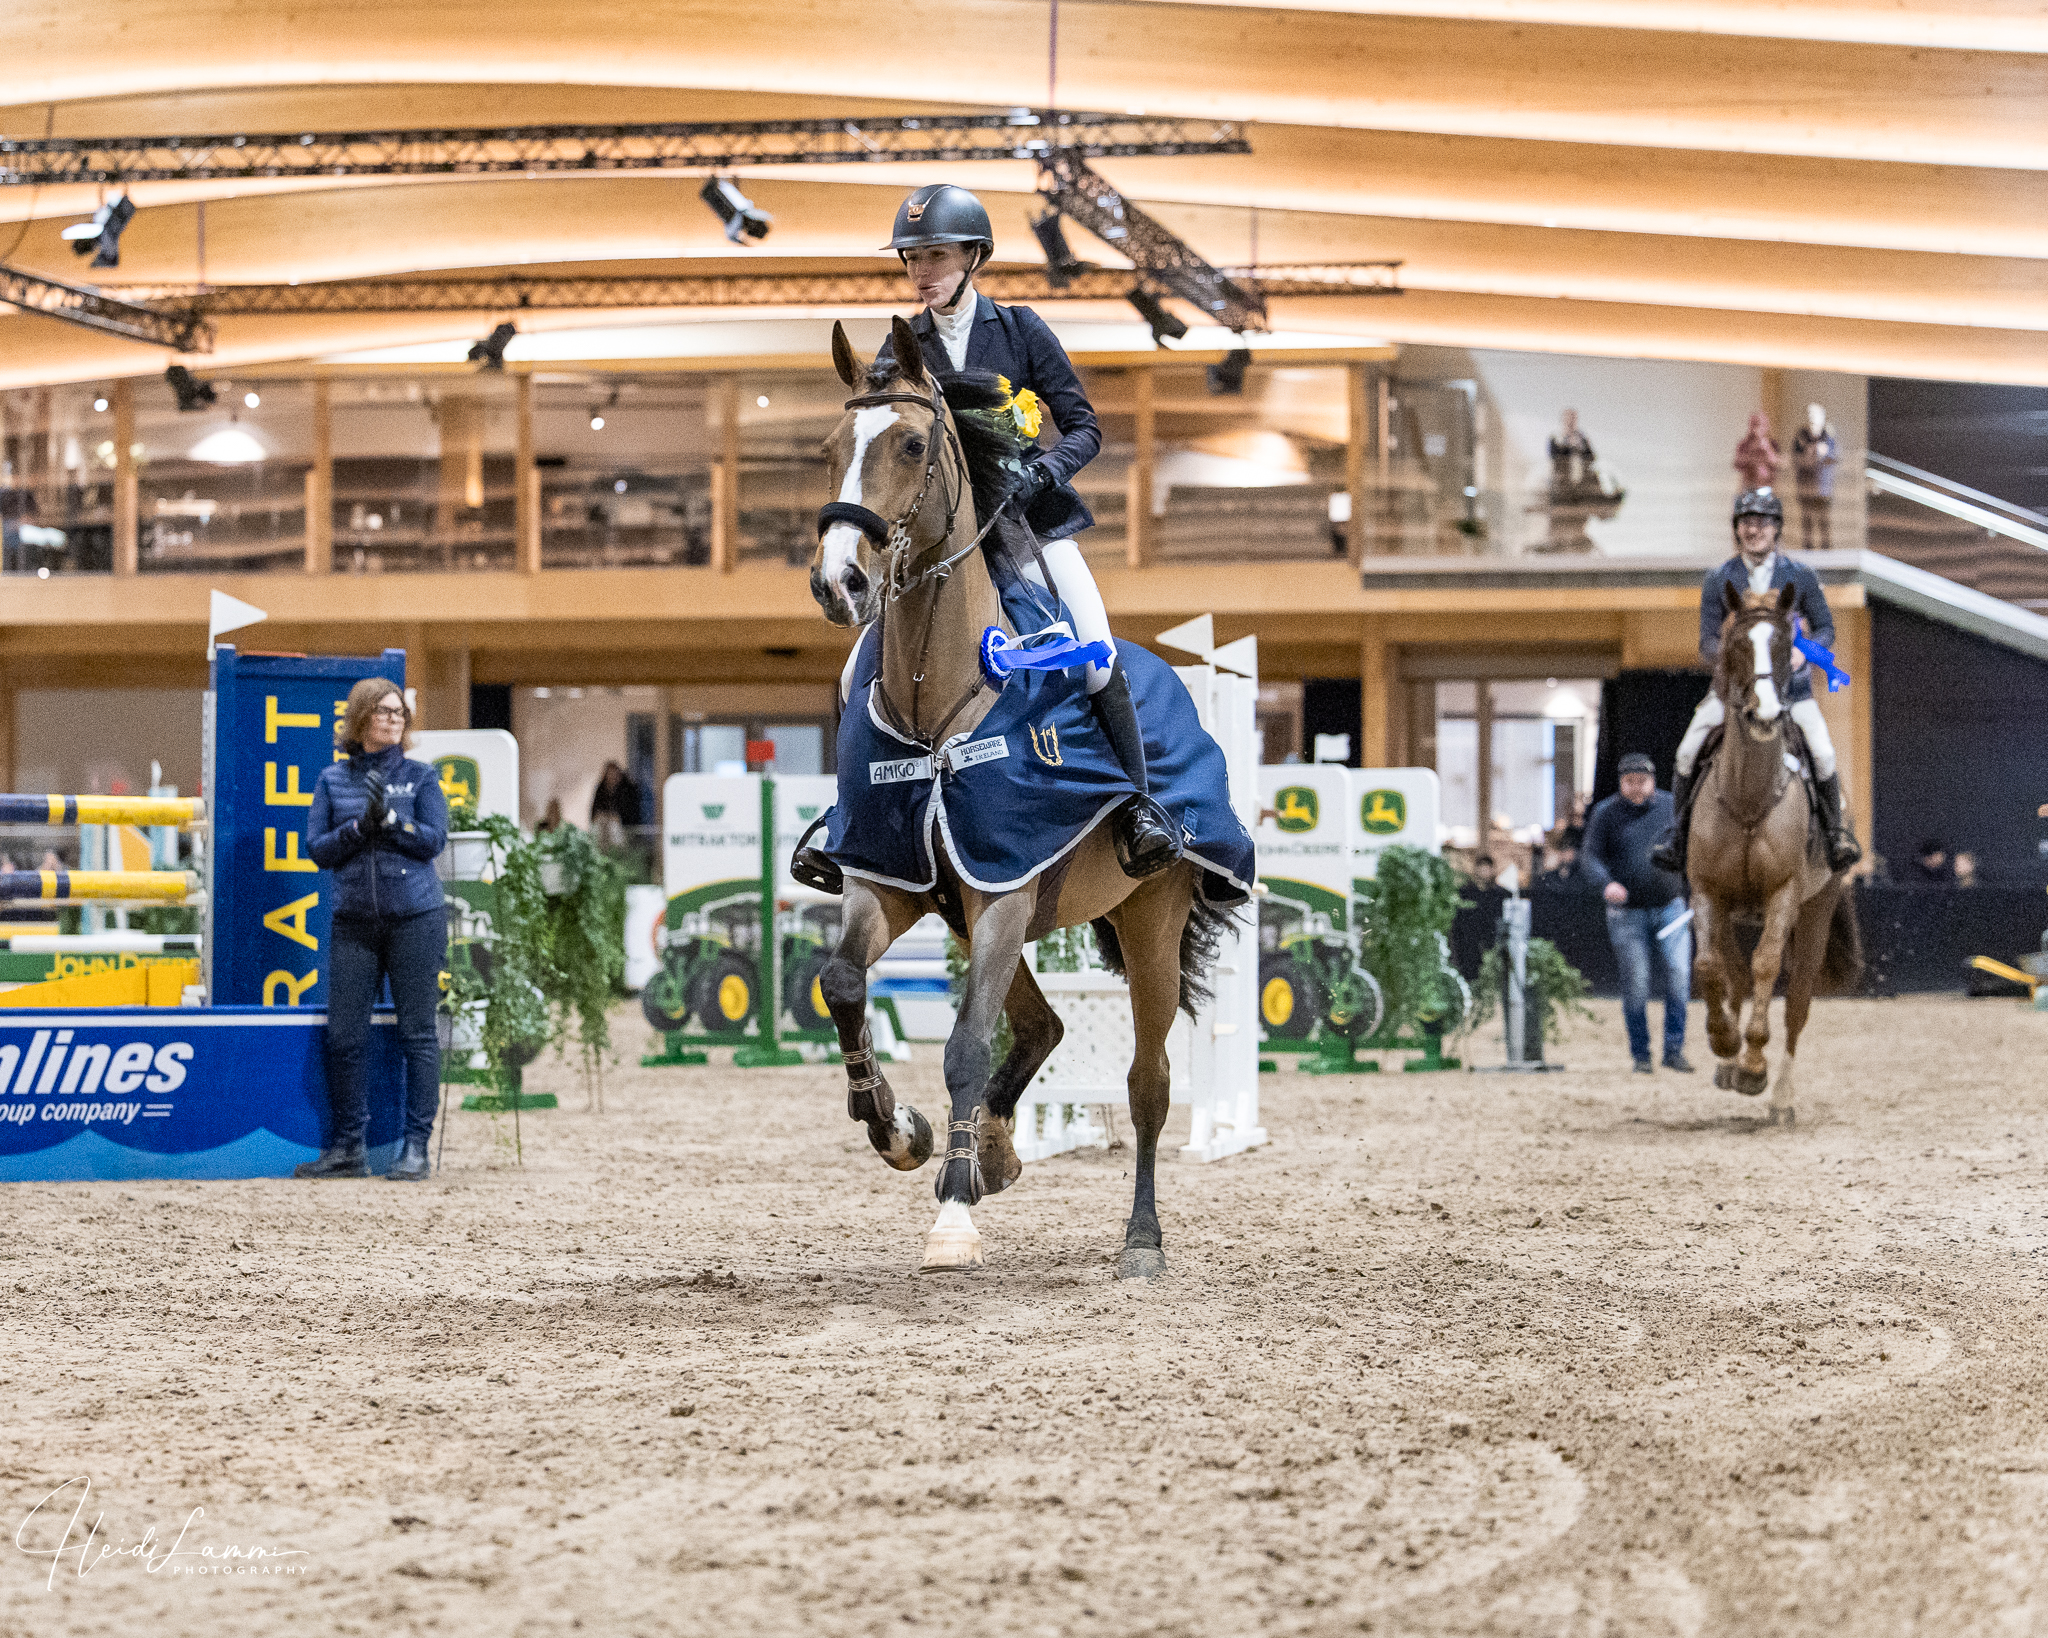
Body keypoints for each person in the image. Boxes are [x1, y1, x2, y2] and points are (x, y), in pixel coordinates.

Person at [867, 182, 1178, 880]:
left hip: (1025, 525)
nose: (921, 272)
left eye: (936, 255)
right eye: (912, 258)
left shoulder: (1020, 330)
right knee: (864, 657)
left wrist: (1044, 474)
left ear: (974, 256)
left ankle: (1138, 809)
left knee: (1095, 650)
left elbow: (1086, 426)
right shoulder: (900, 349)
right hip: (937, 538)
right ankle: (848, 821)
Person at [1652, 489, 1862, 876]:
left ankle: (1836, 836)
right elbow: (1707, 640)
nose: (1754, 530)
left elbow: (1826, 628)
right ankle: (1677, 837)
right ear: (1737, 530)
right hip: (1733, 693)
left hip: (1791, 691)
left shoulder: (1799, 576)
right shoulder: (1719, 578)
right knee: (1686, 751)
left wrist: (1803, 654)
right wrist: (1732, 663)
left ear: (1776, 529)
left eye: (1762, 523)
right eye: (1747, 523)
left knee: (1824, 753)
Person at [296, 679, 449, 1182]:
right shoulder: (332, 779)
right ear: (360, 719)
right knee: (343, 1036)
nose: (393, 719)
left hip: (416, 918)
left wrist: (393, 825)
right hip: (354, 920)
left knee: (418, 1034)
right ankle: (347, 1149)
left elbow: (433, 842)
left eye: (399, 713)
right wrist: (359, 828)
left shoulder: (422, 777)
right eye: (383, 712)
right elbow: (317, 849)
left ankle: (416, 1149)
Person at [1584, 753, 1692, 1073]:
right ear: (1620, 782)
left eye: (1641, 781)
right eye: (1629, 782)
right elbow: (1590, 857)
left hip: (1671, 907)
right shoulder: (1606, 814)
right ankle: (1641, 1055)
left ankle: (1674, 1049)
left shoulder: (1672, 808)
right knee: (1637, 983)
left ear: (1653, 780)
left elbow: (1691, 848)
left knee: (1678, 975)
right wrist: (1606, 884)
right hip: (1626, 914)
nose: (1636, 788)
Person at [1790, 403, 1840, 552]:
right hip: (1806, 485)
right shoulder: (1800, 438)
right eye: (1810, 416)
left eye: (1816, 416)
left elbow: (1835, 457)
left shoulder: (1828, 437)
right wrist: (1810, 454)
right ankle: (1808, 547)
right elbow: (1796, 459)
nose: (1812, 419)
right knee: (1807, 518)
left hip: (1823, 486)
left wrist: (1825, 454)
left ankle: (1826, 546)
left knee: (1823, 518)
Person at [589, 760, 643, 850]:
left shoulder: (628, 789)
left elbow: (630, 812)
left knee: (613, 827)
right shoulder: (601, 790)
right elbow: (595, 811)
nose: (612, 776)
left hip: (623, 827)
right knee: (599, 826)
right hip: (604, 824)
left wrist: (616, 817)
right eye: (609, 774)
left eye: (614, 773)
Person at [1734, 411, 1784, 491]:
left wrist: (1767, 448)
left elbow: (1777, 463)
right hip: (1749, 485)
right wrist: (1753, 449)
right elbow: (1738, 464)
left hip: (1768, 485)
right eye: (1756, 425)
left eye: (1764, 425)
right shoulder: (1744, 444)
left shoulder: (1772, 444)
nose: (1760, 429)